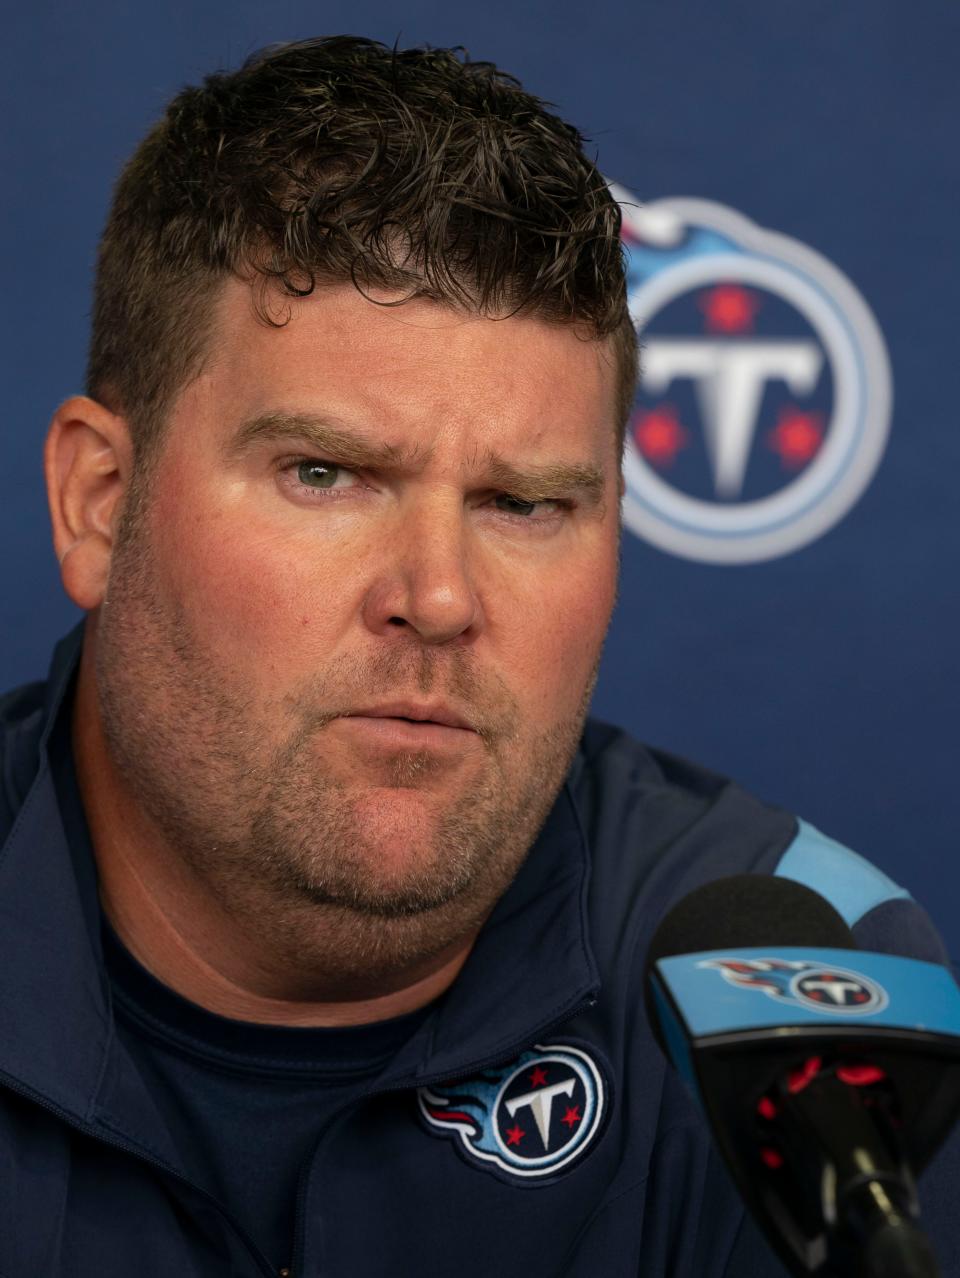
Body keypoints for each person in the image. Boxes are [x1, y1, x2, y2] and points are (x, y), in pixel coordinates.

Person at [1, 35, 955, 1278]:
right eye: (327, 475)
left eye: (526, 504)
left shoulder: (797, 1018)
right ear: (99, 502)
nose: (440, 597)